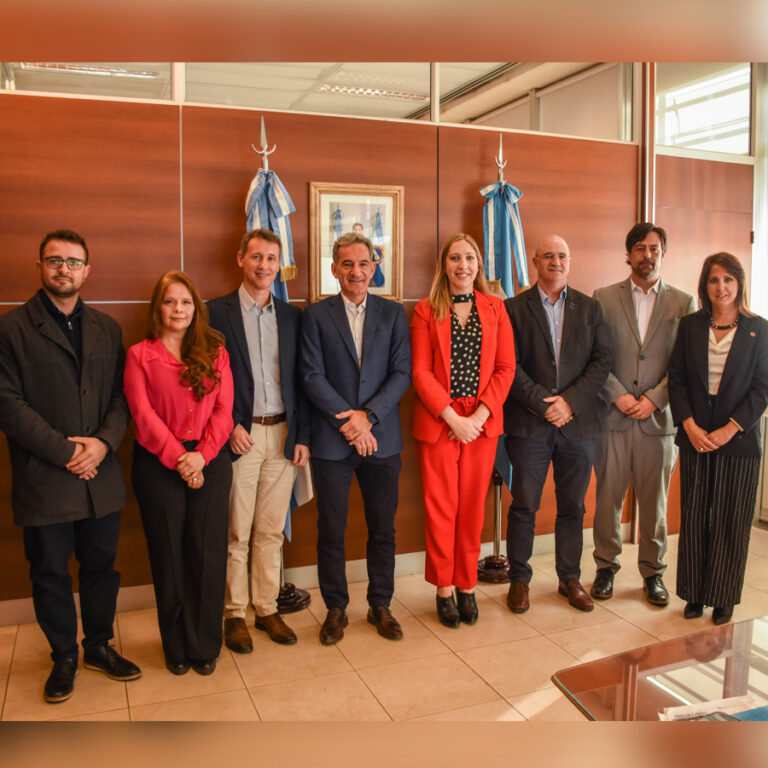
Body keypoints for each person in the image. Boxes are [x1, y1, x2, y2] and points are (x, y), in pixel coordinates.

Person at [0, 229, 140, 703]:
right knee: (50, 572)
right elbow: (8, 405)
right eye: (55, 260)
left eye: (74, 262)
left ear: (87, 269)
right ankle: (63, 656)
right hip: (46, 477)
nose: (65, 269)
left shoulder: (107, 327)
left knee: (102, 568)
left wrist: (101, 445)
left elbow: (122, 398)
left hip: (100, 477)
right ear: (40, 266)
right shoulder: (12, 328)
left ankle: (98, 646)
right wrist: (67, 452)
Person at [300, 231, 411, 644]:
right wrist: (349, 423)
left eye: (364, 264)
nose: (356, 271)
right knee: (331, 528)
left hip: (382, 440)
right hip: (332, 442)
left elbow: (402, 373)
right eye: (347, 264)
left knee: (383, 528)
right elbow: (311, 375)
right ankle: (335, 608)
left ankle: (380, 604)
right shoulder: (315, 315)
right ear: (334, 270)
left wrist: (368, 417)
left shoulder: (393, 313)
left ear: (374, 268)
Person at [124, 271, 234, 674]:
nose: (178, 309)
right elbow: (142, 414)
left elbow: (225, 411)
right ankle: (175, 647)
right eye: (170, 302)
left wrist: (201, 457)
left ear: (196, 307)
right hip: (158, 465)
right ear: (159, 307)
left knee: (206, 554)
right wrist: (180, 458)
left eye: (185, 302)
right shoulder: (140, 355)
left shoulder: (216, 350)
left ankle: (205, 646)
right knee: (169, 556)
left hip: (210, 461)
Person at [208, 229, 310, 652]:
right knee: (237, 530)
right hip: (240, 436)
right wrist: (228, 424)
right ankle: (234, 614)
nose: (264, 266)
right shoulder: (215, 313)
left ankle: (266, 607)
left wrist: (302, 435)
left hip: (285, 435)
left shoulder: (292, 317)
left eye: (271, 258)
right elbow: (205, 379)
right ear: (240, 260)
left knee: (269, 530)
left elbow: (302, 381)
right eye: (256, 257)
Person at [410, 233, 515, 627]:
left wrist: (478, 417)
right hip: (440, 424)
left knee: (472, 508)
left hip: (482, 426)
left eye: (470, 257)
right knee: (441, 509)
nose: (463, 265)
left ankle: (467, 585)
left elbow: (506, 369)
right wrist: (452, 417)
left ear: (479, 265)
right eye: (455, 258)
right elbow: (419, 372)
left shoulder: (496, 308)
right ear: (444, 264)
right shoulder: (425, 310)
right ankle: (442, 588)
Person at [503, 235, 611, 613]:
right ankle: (519, 579)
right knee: (525, 505)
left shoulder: (591, 308)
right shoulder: (513, 308)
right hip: (529, 425)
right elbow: (508, 366)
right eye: (548, 255)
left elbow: (601, 362)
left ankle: (569, 578)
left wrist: (570, 403)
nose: (556, 261)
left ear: (570, 261)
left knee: (573, 507)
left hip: (578, 427)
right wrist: (542, 404)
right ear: (535, 261)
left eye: (562, 255)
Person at [591, 223, 696, 606]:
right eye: (639, 248)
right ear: (628, 253)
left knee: (655, 504)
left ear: (662, 254)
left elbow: (686, 366)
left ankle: (653, 573)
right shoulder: (602, 298)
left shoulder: (684, 304)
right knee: (608, 500)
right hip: (612, 420)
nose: (646, 255)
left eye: (654, 248)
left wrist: (655, 398)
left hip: (659, 422)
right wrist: (617, 395)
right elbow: (594, 358)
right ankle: (605, 567)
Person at [668, 252, 768, 626]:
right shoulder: (691, 325)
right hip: (695, 436)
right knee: (694, 515)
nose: (721, 287)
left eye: (728, 279)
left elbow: (762, 389)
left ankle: (723, 595)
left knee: (730, 518)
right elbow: (676, 379)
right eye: (713, 280)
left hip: (737, 440)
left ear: (739, 283)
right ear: (704, 286)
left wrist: (729, 429)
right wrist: (689, 426)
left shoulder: (760, 329)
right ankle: (694, 593)